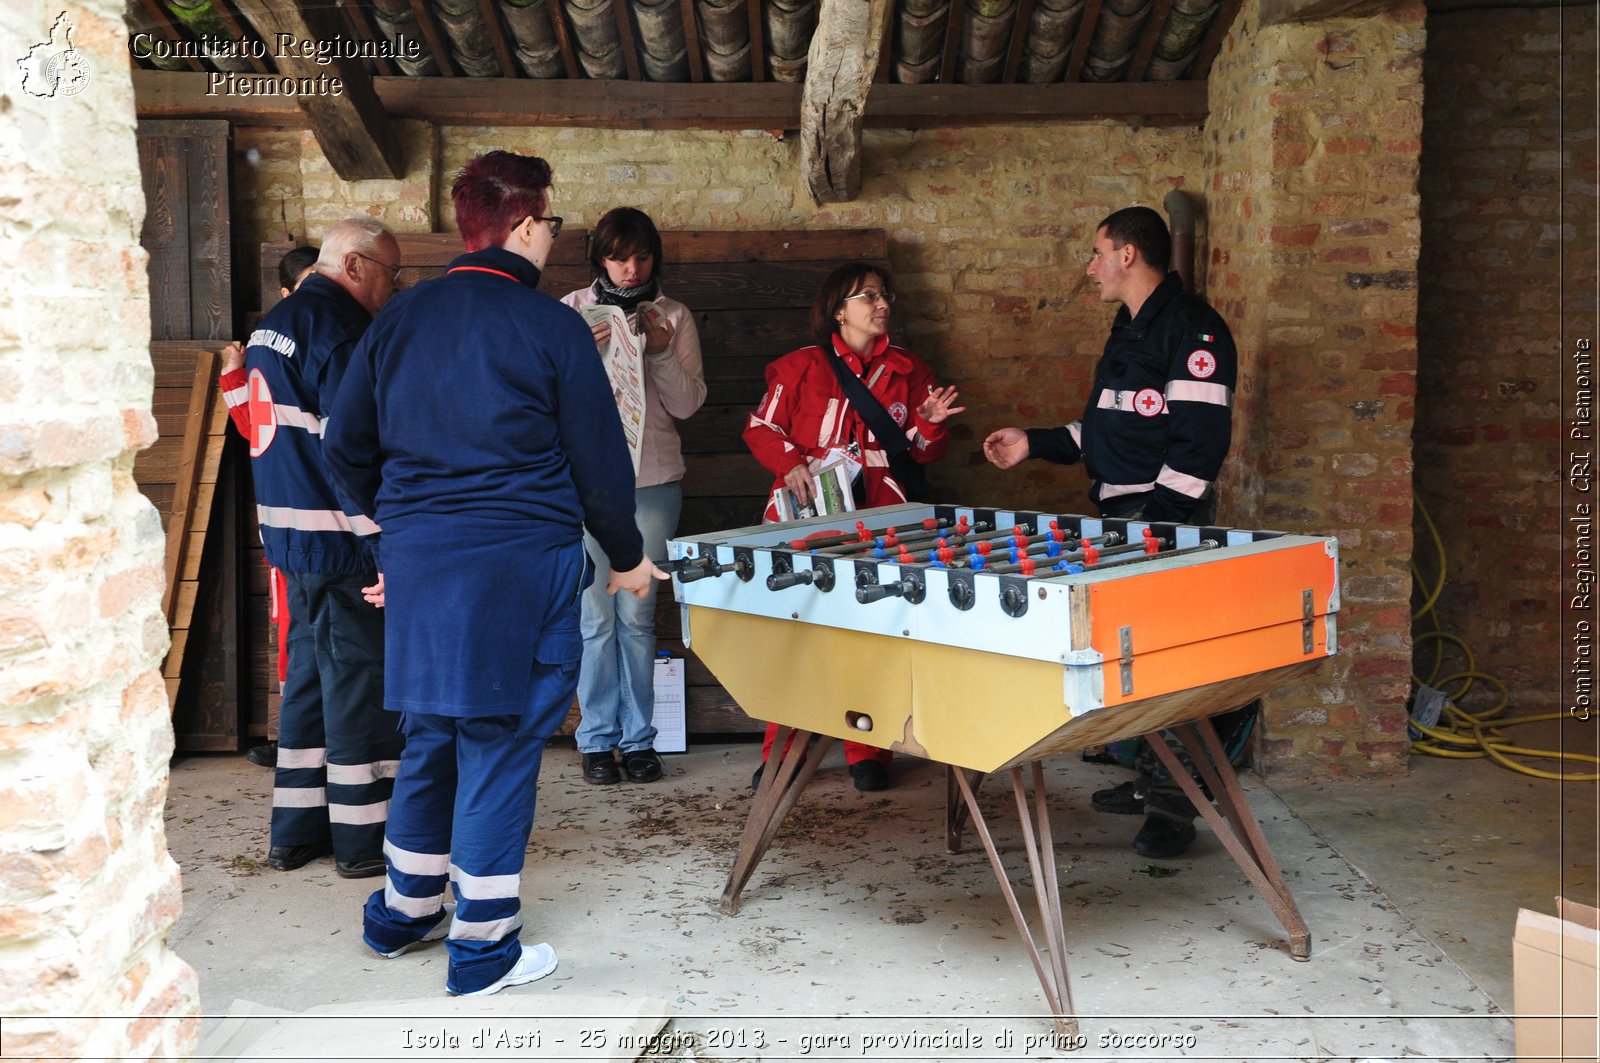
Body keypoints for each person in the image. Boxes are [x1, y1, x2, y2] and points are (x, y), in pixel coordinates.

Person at [324, 151, 667, 997]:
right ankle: (483, 949)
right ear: (523, 225)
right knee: (502, 740)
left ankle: (403, 914)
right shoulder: (550, 325)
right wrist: (626, 557)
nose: (554, 235)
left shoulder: (399, 320)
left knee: (433, 731)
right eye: (550, 221)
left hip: (421, 565)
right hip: (519, 564)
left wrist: (396, 531)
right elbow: (598, 463)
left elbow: (342, 447)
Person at [983, 204, 1247, 859]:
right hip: (1127, 525)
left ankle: (1172, 808)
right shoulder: (1129, 328)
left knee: (1178, 669)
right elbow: (1104, 430)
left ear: (1129, 254)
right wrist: (1034, 443)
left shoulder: (1194, 331)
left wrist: (1150, 534)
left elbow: (1197, 450)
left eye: (1098, 252)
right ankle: (1150, 780)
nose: (1091, 266)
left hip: (1162, 525)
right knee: (1139, 666)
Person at [743, 262, 963, 791]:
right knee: (797, 632)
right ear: (839, 309)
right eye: (868, 296)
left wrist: (930, 422)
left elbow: (924, 453)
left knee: (874, 632)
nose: (881, 303)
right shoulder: (800, 368)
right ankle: (784, 750)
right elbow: (761, 427)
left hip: (881, 523)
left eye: (885, 294)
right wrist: (791, 461)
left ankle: (868, 748)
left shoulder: (912, 371)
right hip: (808, 520)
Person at [240, 221, 405, 878]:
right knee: (359, 685)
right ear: (359, 265)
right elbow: (353, 452)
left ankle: (296, 830)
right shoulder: (341, 332)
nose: (393, 291)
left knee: (306, 683)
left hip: (290, 539)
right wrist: (385, 546)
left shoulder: (273, 324)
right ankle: (364, 842)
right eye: (392, 275)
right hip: (339, 542)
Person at [560, 208, 705, 786]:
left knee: (638, 617)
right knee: (593, 618)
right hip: (586, 484)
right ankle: (596, 740)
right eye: (619, 256)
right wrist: (581, 352)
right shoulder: (571, 310)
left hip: (653, 483)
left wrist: (663, 350)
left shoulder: (672, 314)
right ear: (600, 257)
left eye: (641, 256)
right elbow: (549, 400)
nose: (630, 268)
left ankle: (639, 741)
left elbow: (689, 405)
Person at [219, 245, 319, 770]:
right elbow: (253, 428)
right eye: (307, 285)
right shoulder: (272, 348)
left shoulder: (334, 338)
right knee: (291, 627)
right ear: (286, 295)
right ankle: (294, 739)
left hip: (338, 522)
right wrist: (234, 377)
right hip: (288, 520)